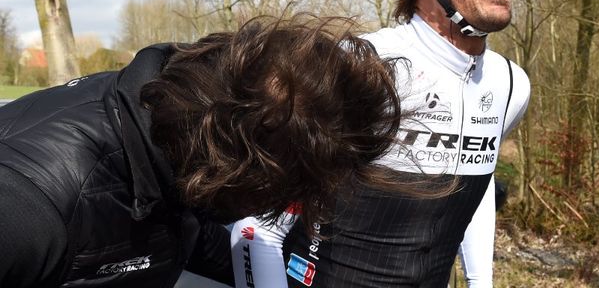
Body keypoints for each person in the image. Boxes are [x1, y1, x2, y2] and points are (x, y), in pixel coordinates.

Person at [231, 0, 531, 288]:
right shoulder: (359, 67)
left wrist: (482, 282)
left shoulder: (511, 87)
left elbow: (476, 184)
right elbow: (255, 226)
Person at [0, 15, 405, 288]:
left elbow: (190, 238)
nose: (292, 206)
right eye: (289, 195)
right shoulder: (29, 215)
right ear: (248, 174)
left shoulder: (179, 140)